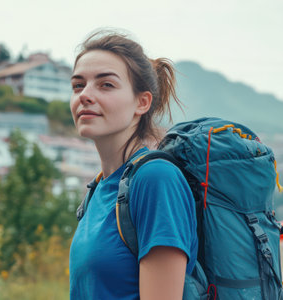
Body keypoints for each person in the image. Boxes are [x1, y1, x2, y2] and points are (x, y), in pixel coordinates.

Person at [69, 30, 198, 300]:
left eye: (106, 85)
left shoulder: (155, 179)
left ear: (142, 102)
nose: (85, 95)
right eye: (78, 85)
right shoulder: (100, 187)